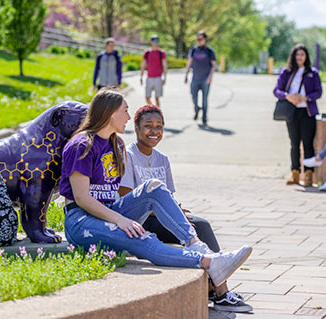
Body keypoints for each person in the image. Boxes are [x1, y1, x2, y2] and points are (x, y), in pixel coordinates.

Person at [60, 89, 252, 309]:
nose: (128, 117)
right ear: (111, 113)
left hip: (110, 211)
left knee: (154, 187)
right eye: (125, 111)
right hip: (81, 220)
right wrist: (120, 220)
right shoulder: (81, 145)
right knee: (142, 237)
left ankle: (196, 245)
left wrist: (122, 216)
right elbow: (82, 198)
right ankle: (208, 262)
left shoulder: (116, 144)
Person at [118, 104, 253, 313]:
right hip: (140, 221)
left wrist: (178, 211)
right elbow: (125, 197)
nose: (154, 131)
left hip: (162, 218)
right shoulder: (127, 156)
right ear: (136, 127)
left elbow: (168, 197)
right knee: (198, 227)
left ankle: (216, 288)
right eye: (148, 126)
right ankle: (221, 291)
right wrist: (171, 214)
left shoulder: (162, 159)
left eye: (159, 126)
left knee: (199, 223)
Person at [273, 44, 322, 187]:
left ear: (306, 57)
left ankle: (308, 174)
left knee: (307, 143)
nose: (300, 57)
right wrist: (288, 96)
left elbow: (318, 92)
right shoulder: (286, 72)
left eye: (302, 55)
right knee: (294, 143)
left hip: (307, 111)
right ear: (293, 56)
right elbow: (277, 90)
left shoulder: (312, 72)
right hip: (292, 111)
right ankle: (295, 172)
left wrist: (305, 98)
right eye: (297, 54)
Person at [185, 30, 217, 126]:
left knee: (204, 99)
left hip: (205, 79)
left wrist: (210, 77)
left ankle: (204, 118)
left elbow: (214, 65)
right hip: (195, 78)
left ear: (205, 39)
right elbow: (189, 62)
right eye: (197, 39)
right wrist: (186, 74)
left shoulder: (210, 51)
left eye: (200, 39)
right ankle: (197, 109)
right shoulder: (194, 50)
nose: (199, 40)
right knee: (193, 96)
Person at [140, 35, 167, 107]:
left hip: (158, 78)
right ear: (151, 42)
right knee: (147, 97)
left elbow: (164, 66)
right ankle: (154, 109)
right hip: (149, 78)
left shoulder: (161, 53)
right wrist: (141, 77)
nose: (155, 43)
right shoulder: (147, 52)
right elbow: (143, 65)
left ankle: (158, 113)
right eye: (154, 41)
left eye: (157, 41)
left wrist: (165, 78)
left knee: (157, 98)